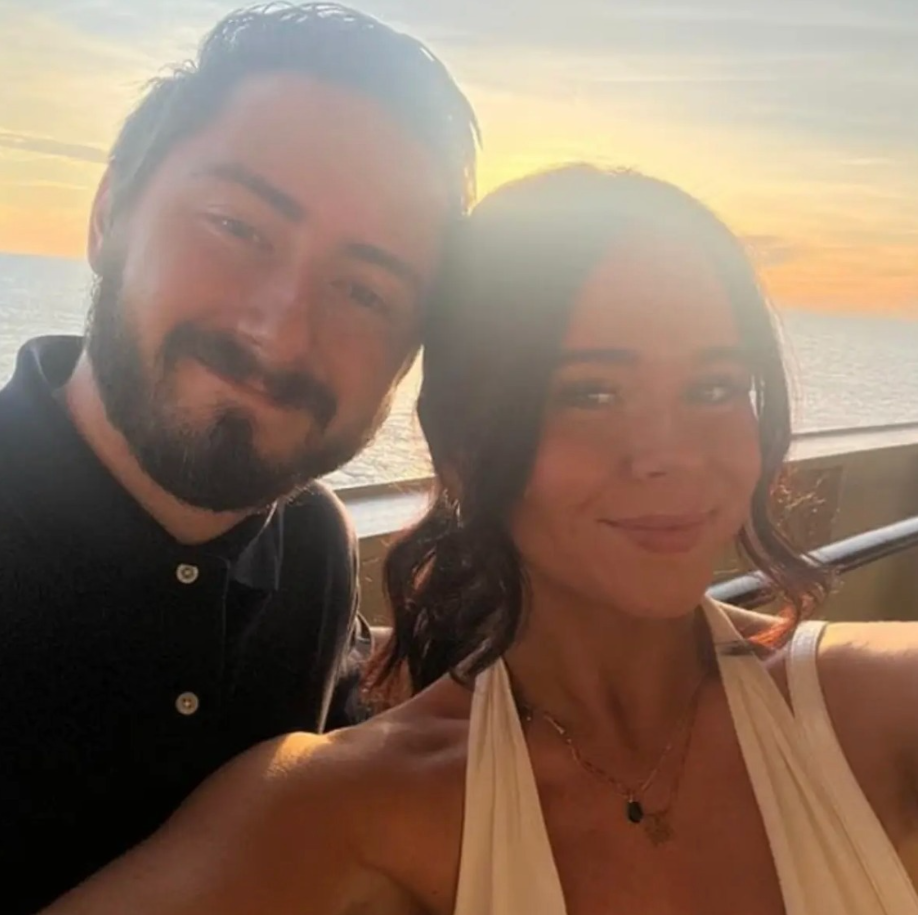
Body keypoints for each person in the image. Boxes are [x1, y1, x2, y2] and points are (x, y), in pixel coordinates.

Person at [39, 167, 918, 915]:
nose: (671, 455)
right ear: (458, 441)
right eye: (592, 394)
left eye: (718, 386)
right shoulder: (344, 807)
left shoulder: (876, 707)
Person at [0, 3, 478, 911]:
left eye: (364, 289)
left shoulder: (311, 546)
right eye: (237, 226)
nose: (280, 328)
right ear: (110, 218)